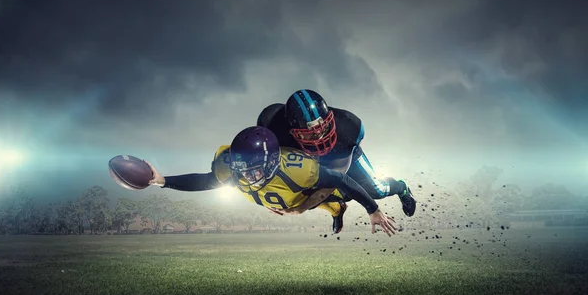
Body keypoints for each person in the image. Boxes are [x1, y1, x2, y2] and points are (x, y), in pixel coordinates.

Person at [147, 126, 398, 235]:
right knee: (288, 206)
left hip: (311, 189)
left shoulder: (300, 169)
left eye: (252, 171)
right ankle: (334, 210)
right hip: (278, 196)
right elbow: (205, 181)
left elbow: (340, 179)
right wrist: (162, 180)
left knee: (305, 203)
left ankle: (346, 204)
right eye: (240, 170)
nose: (245, 177)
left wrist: (373, 210)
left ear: (271, 163)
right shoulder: (234, 167)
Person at [257, 89, 417, 217]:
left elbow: (336, 180)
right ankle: (338, 208)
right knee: (303, 194)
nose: (320, 137)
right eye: (310, 134)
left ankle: (402, 188)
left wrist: (300, 209)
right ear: (292, 131)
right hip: (306, 159)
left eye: (324, 128)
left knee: (376, 190)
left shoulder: (347, 128)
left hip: (339, 155)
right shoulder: (272, 127)